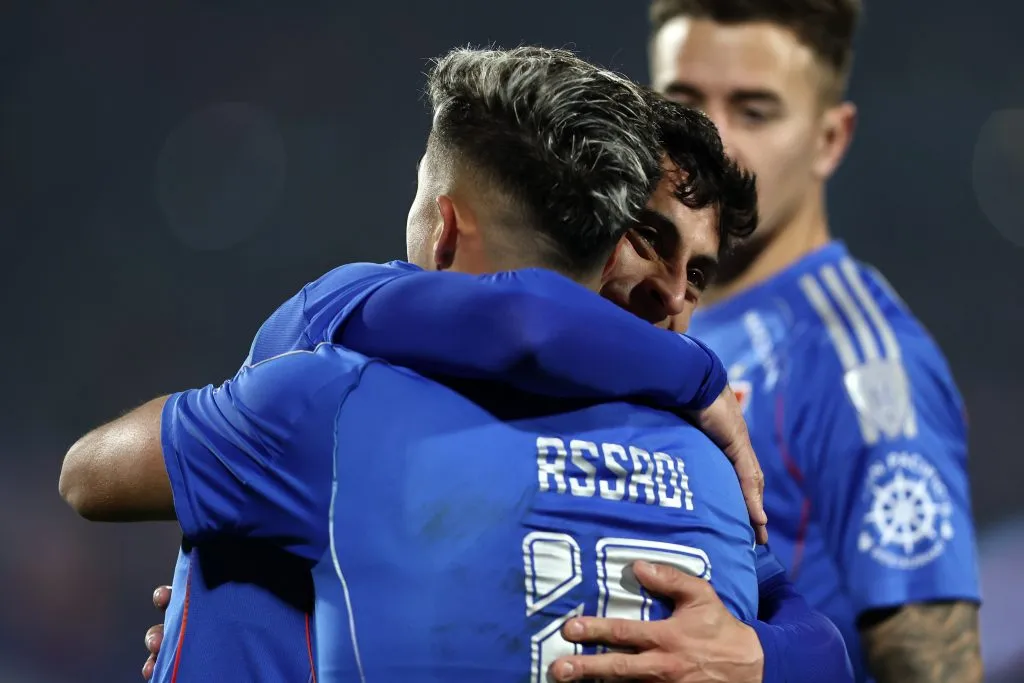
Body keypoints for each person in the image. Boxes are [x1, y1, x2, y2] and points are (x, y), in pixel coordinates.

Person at [61, 47, 849, 682]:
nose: (673, 296)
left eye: (700, 275)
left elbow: (87, 476)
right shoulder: (703, 455)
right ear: (596, 227)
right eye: (649, 238)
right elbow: (523, 323)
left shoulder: (332, 391)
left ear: (443, 231)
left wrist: (755, 656)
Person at [571, 2, 981, 682]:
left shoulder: (864, 363)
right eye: (684, 100)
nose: (713, 139)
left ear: (829, 139)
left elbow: (935, 667)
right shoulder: (643, 305)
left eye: (754, 111)